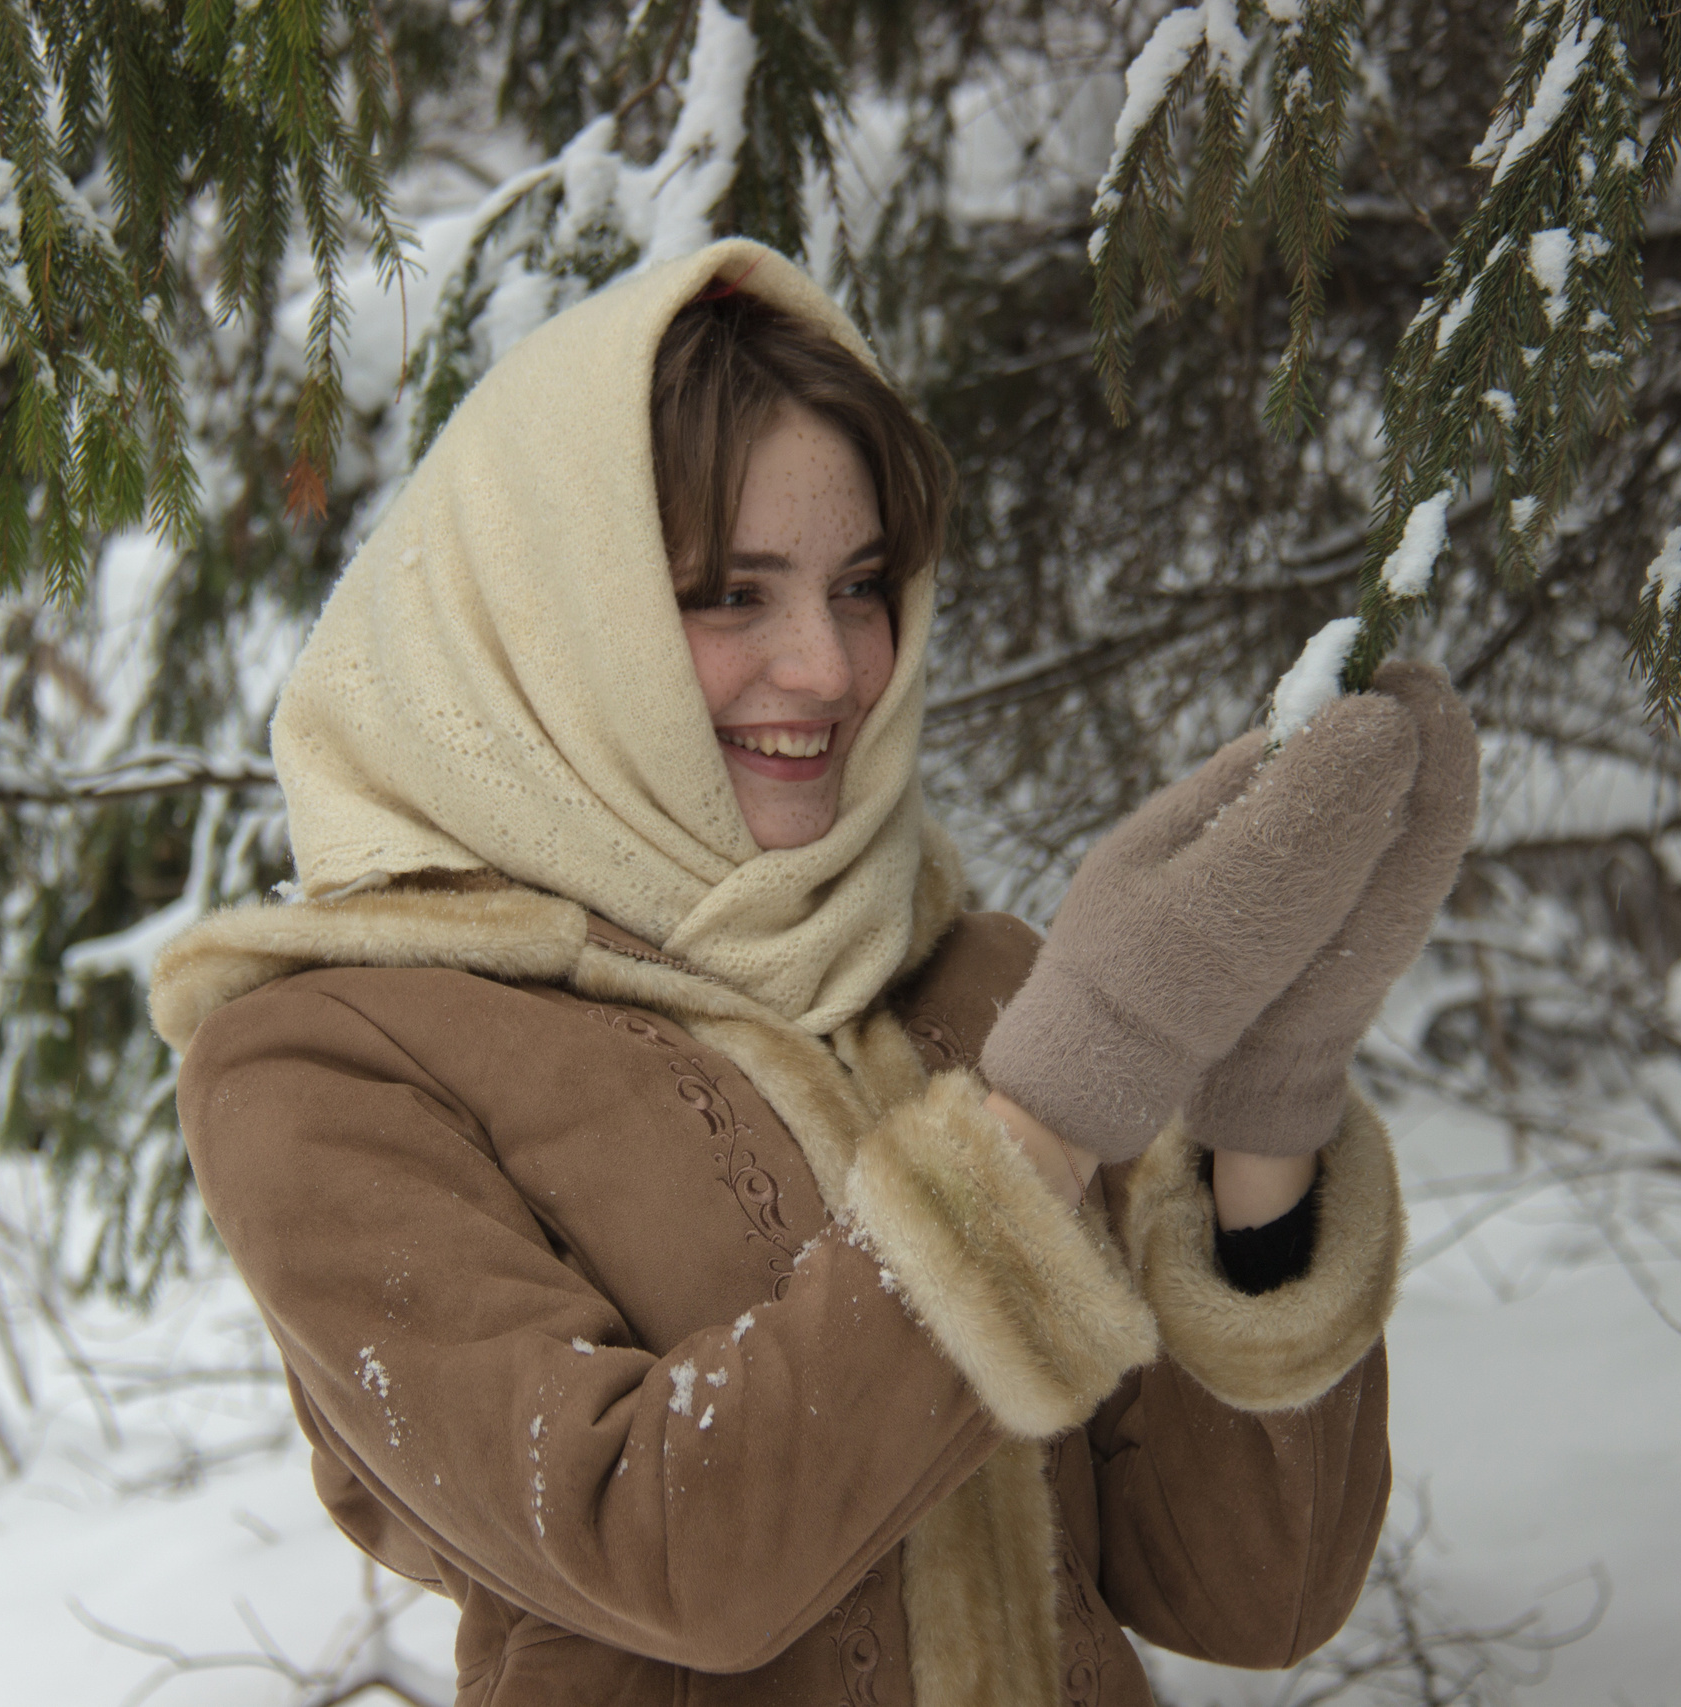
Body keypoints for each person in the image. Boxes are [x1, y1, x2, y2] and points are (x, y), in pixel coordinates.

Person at [149, 238, 1478, 1707]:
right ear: (555, 625)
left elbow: (1255, 1590)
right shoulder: (329, 1064)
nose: (835, 666)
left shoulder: (973, 984)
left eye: (861, 586)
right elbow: (672, 1558)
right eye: (731, 594)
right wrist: (1057, 1101)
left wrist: (1266, 1100)